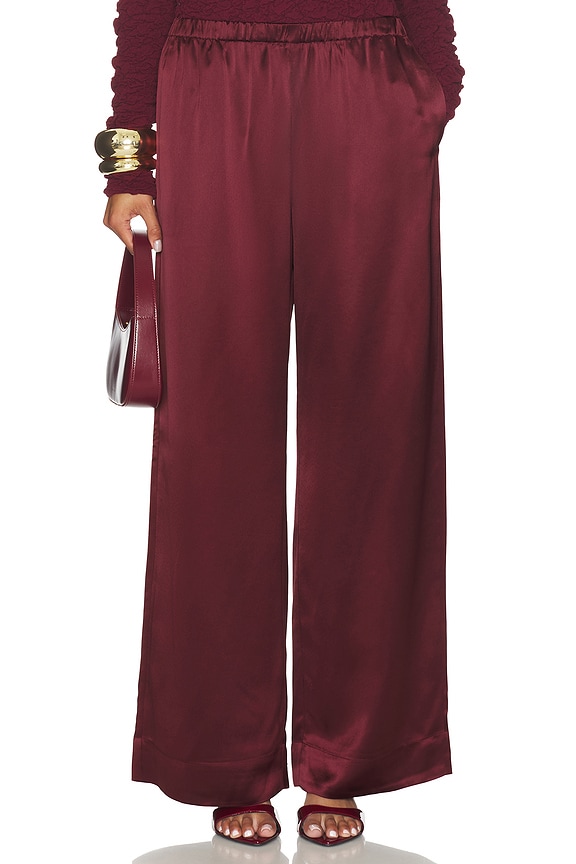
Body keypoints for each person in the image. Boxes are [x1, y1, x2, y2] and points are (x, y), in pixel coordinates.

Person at [97, 0, 464, 848]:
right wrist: (128, 159)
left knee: (375, 430)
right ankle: (227, 755)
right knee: (211, 440)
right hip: (209, 83)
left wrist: (434, 86)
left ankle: (352, 751)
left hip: (368, 75)